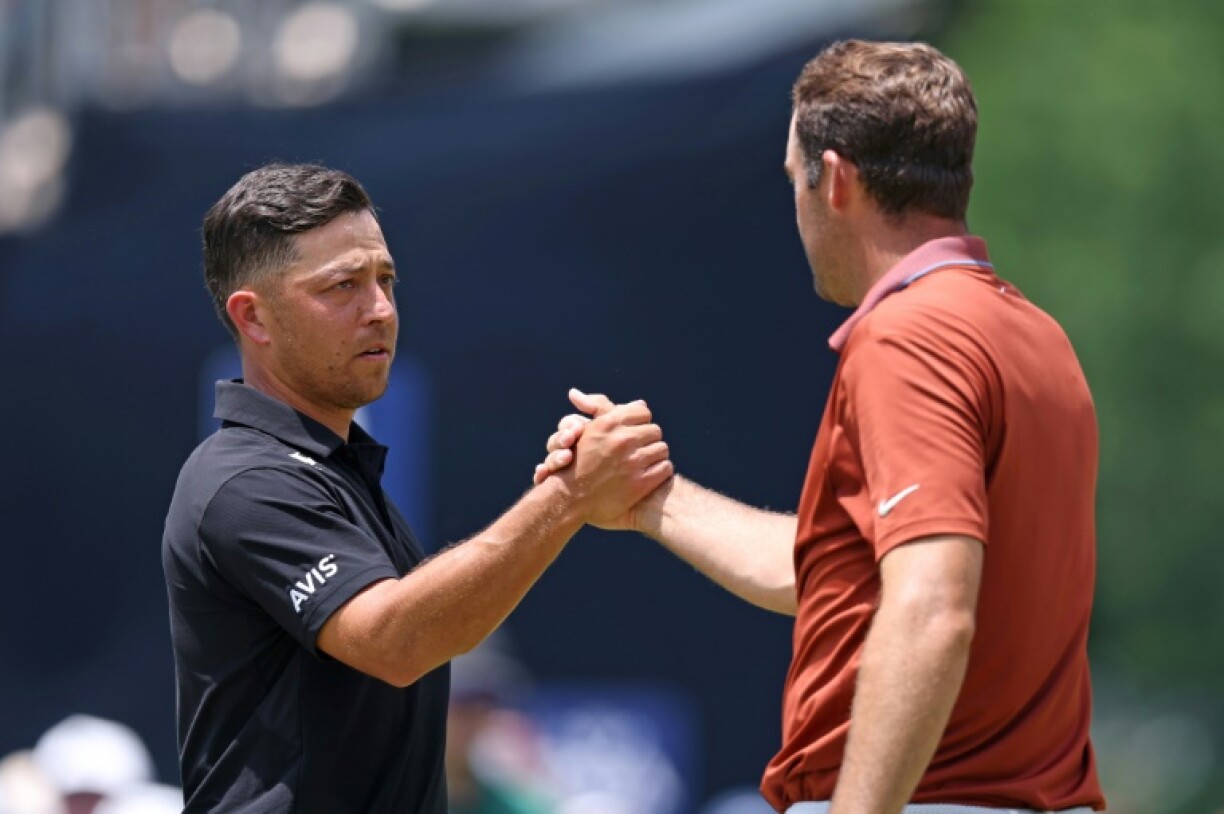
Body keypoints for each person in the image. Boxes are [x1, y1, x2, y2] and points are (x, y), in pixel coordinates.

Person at [535, 40, 1106, 814]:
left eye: (792, 180)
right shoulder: (1035, 336)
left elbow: (932, 607)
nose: (795, 207)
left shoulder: (910, 337)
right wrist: (647, 498)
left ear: (833, 179)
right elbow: (831, 573)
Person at [162, 164, 672, 813]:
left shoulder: (337, 474)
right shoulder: (246, 480)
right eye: (342, 285)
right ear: (254, 318)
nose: (379, 309)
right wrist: (567, 497)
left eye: (385, 280)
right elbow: (397, 643)